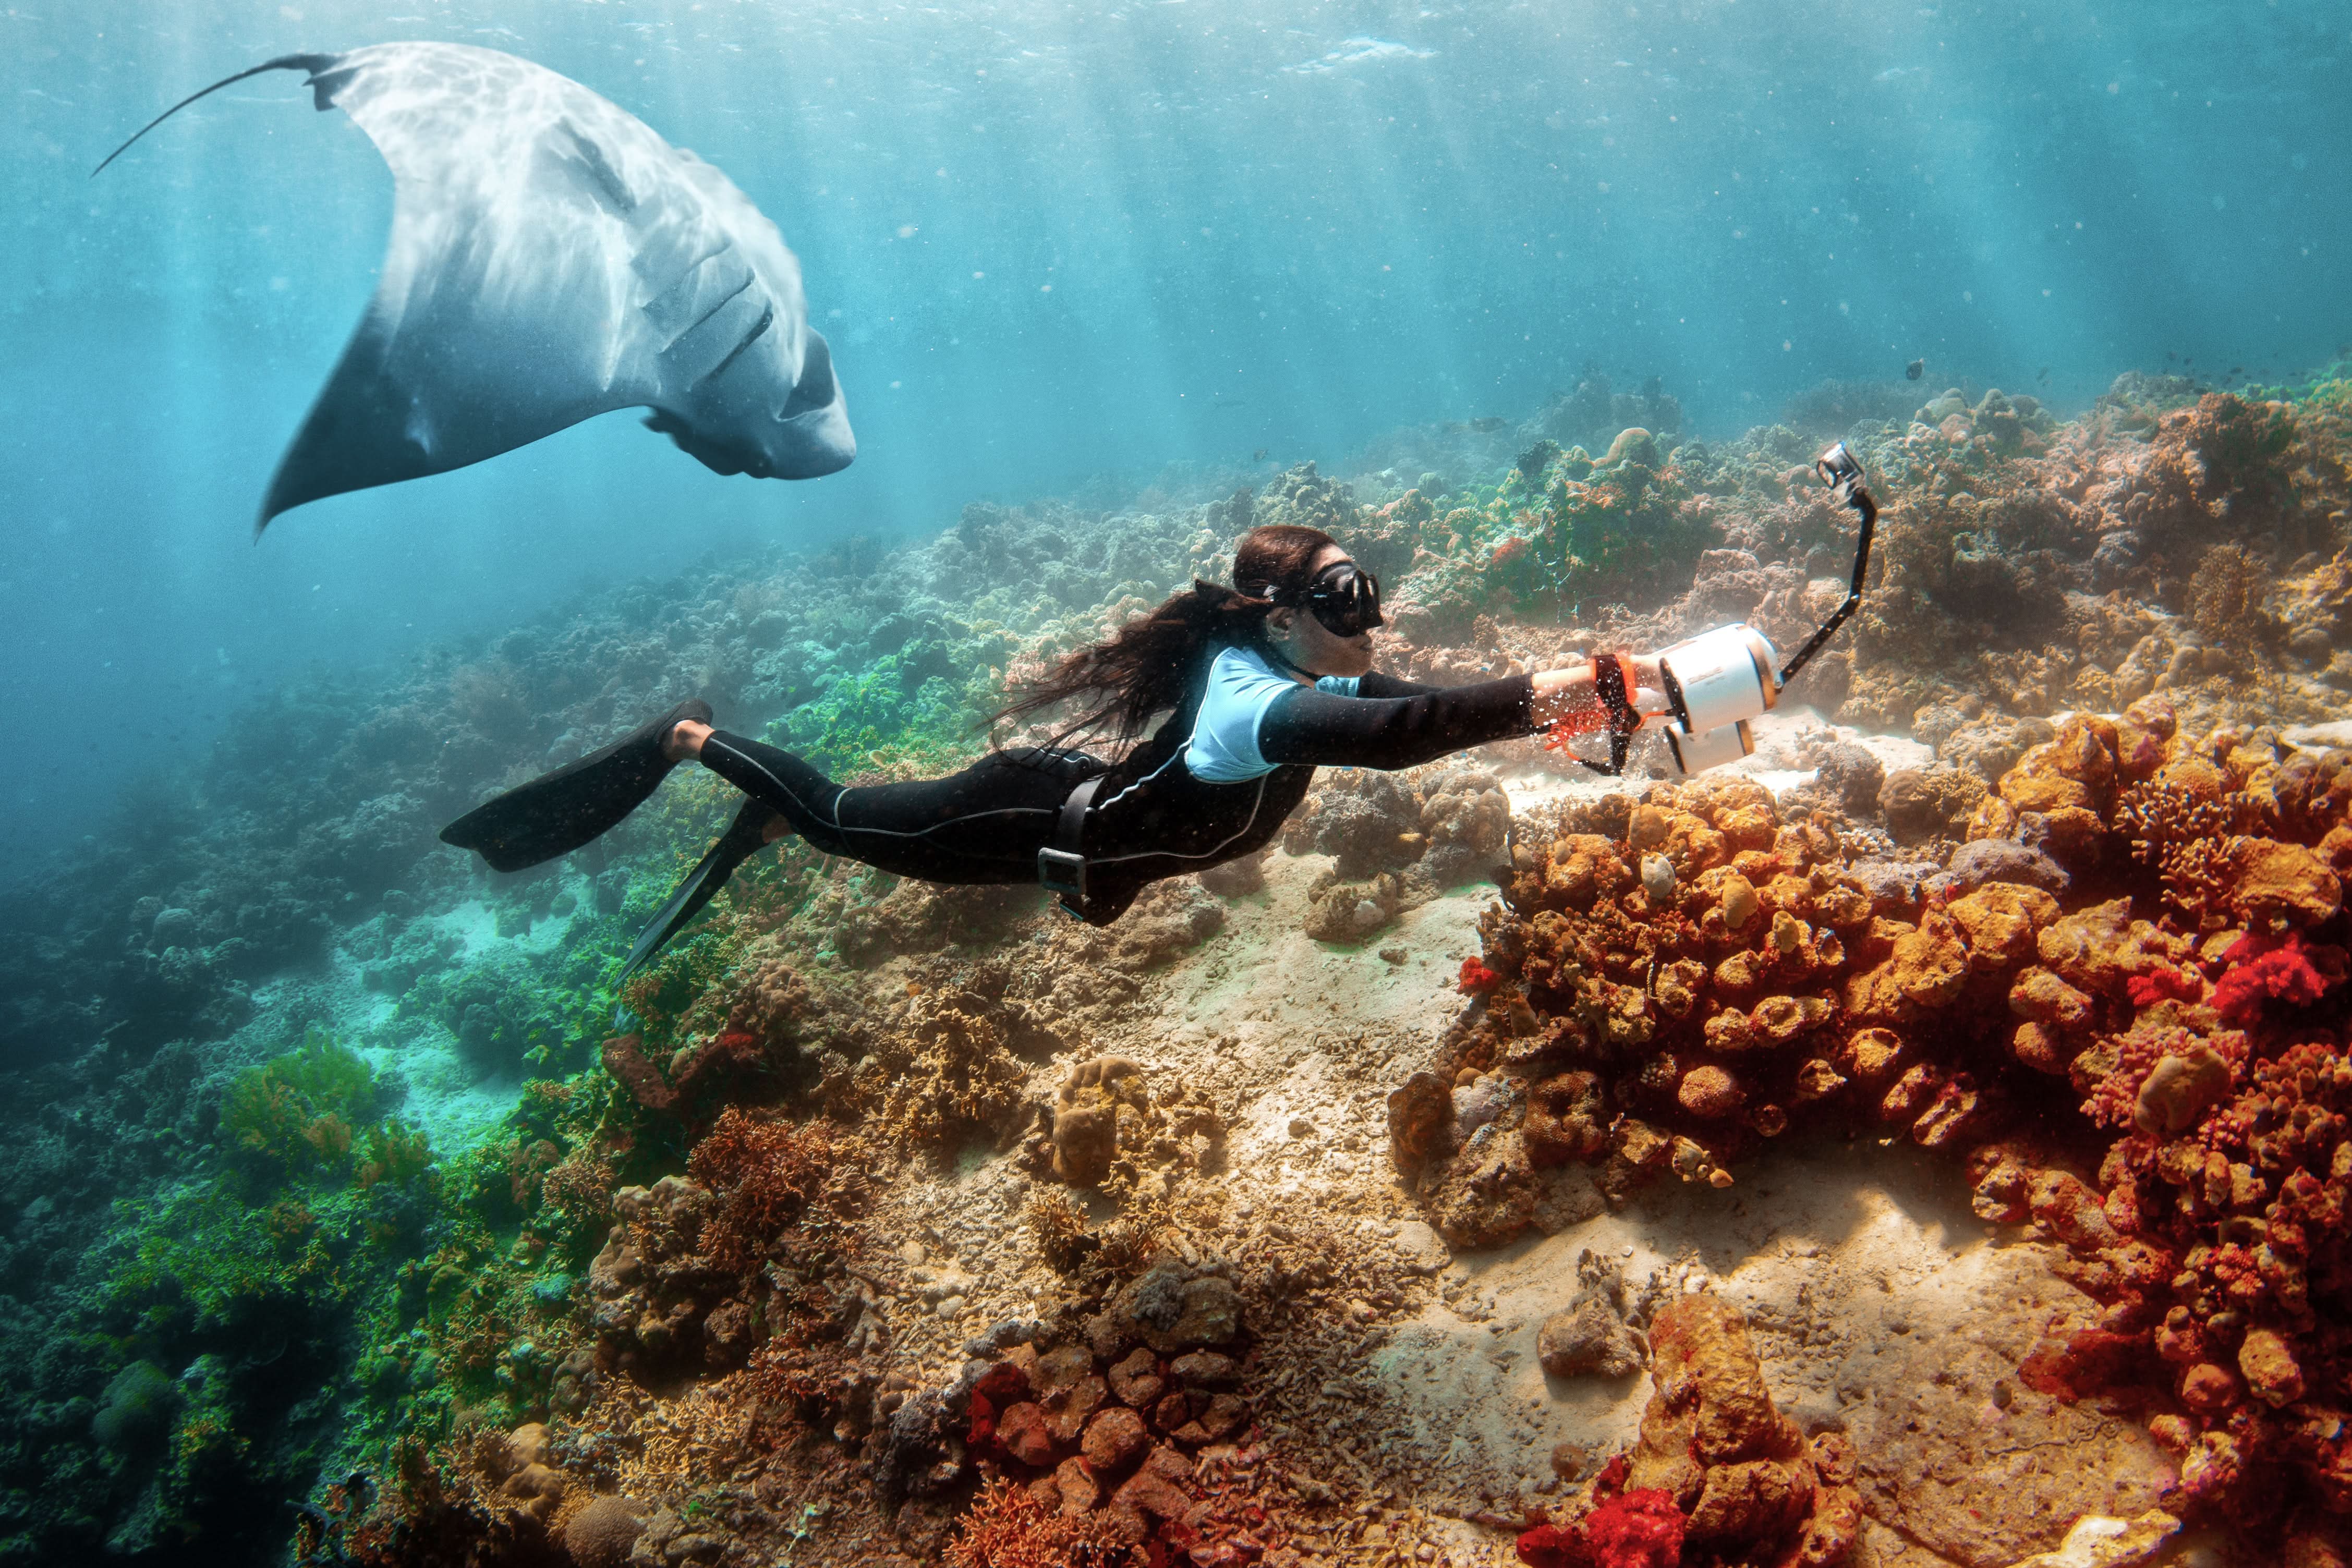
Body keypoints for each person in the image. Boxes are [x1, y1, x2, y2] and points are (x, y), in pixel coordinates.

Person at [440, 524, 1666, 980]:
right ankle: (691, 742)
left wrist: (1588, 703)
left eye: (1370, 591)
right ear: (1281, 615)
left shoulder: (1305, 669)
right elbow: (1401, 738)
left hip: (1069, 833)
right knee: (836, 822)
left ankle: (758, 807)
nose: (1373, 620)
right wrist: (1551, 693)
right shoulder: (1257, 703)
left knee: (832, 824)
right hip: (1012, 823)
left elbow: (1425, 703)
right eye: (1348, 596)